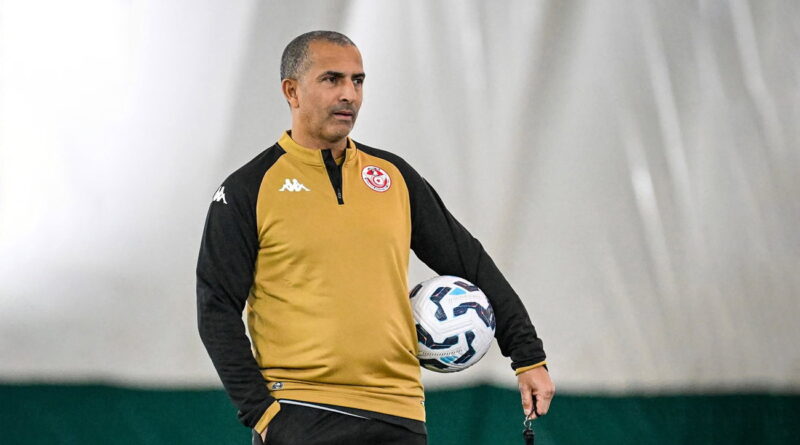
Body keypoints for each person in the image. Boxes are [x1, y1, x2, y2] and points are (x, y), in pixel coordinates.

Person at [196, 30, 554, 445]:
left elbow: (469, 262)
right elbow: (216, 308)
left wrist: (528, 356)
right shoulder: (247, 189)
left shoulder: (395, 177)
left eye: (358, 81)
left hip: (398, 415)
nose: (349, 94)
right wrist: (262, 414)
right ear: (291, 91)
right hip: (300, 412)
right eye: (332, 79)